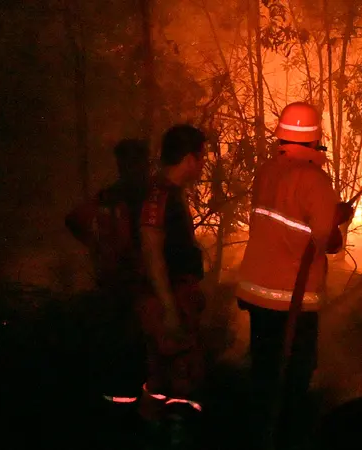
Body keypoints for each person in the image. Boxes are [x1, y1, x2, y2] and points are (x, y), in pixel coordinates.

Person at [235, 102, 354, 449]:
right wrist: (338, 217)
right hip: (292, 300)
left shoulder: (268, 171)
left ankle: (255, 433)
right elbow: (325, 242)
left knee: (263, 373)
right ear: (316, 140)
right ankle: (284, 438)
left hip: (256, 293)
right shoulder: (315, 180)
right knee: (293, 379)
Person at [136, 124, 208, 442]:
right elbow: (152, 250)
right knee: (179, 371)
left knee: (167, 372)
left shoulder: (167, 193)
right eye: (201, 157)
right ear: (190, 158)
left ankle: (158, 431)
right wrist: (169, 307)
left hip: (175, 295)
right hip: (166, 299)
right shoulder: (160, 194)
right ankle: (165, 435)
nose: (203, 164)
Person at [64, 138, 149, 408]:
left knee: (124, 342)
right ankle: (128, 403)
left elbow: (75, 219)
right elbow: (75, 219)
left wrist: (96, 246)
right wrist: (97, 245)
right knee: (133, 343)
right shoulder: (137, 196)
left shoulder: (114, 195)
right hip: (131, 281)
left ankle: (119, 401)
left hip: (120, 280)